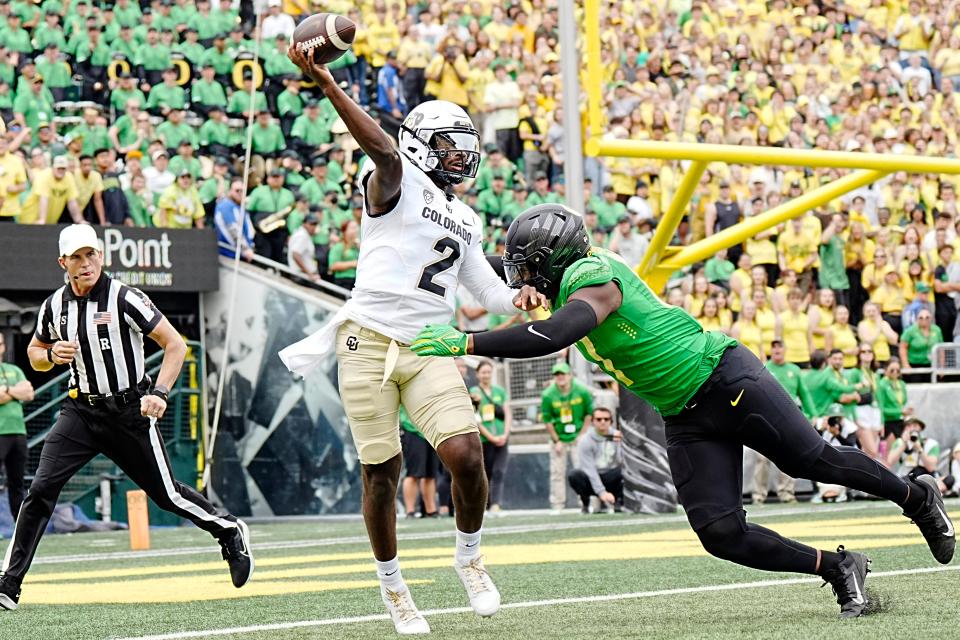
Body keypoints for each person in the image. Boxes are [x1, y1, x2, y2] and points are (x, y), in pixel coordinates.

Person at [411, 204, 955, 619]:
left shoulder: (592, 276)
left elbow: (555, 334)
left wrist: (465, 343)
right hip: (685, 412)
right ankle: (838, 567)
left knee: (813, 461)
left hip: (723, 378)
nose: (522, 275)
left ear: (555, 260)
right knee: (720, 532)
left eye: (529, 266)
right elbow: (541, 310)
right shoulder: (565, 285)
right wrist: (525, 298)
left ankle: (916, 495)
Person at [279, 48, 546, 635]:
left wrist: (517, 298)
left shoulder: (466, 216)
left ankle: (469, 557)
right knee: (383, 473)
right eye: (450, 143)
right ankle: (394, 588)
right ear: (422, 145)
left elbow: (483, 289)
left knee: (467, 456)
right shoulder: (393, 181)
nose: (462, 153)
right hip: (368, 339)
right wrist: (326, 82)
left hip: (428, 343)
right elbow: (381, 150)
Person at [0, 225, 253, 612]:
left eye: (91, 255)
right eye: (77, 258)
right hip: (81, 411)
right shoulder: (54, 306)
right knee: (40, 491)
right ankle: (9, 583)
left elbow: (175, 345)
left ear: (102, 256)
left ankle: (228, 529)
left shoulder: (125, 298)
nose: (86, 264)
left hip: (129, 411)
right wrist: (50, 356)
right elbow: (34, 350)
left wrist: (160, 393)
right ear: (62, 262)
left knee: (166, 496)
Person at [540, 362, 594, 513]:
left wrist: (582, 434)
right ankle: (557, 505)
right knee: (557, 472)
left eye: (563, 374)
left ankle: (586, 502)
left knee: (583, 470)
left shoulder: (582, 390)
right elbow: (547, 419)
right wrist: (557, 440)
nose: (560, 377)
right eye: (557, 375)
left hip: (578, 436)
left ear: (570, 375)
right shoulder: (548, 394)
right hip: (559, 437)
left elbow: (589, 413)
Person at [0, 334, 33, 522]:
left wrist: (5, 391)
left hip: (18, 432)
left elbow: (29, 392)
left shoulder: (14, 369)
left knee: (17, 483)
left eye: (1, 344)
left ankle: (20, 527)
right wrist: (15, 391)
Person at [469, 360, 509, 514]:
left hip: (501, 438)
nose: (486, 375)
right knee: (485, 471)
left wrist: (505, 433)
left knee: (499, 471)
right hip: (484, 440)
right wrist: (491, 437)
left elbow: (508, 413)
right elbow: (475, 417)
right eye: (483, 372)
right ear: (478, 374)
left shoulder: (499, 391)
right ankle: (485, 503)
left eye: (488, 372)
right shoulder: (474, 392)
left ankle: (496, 504)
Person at [567, 407, 623, 514]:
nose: (603, 422)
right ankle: (585, 501)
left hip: (610, 476)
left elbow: (623, 461)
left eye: (606, 419)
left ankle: (619, 502)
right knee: (574, 475)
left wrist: (621, 443)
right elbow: (589, 469)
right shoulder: (585, 440)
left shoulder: (617, 436)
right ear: (592, 421)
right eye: (599, 419)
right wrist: (602, 492)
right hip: (592, 477)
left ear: (611, 421)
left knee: (624, 471)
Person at [399, 407, 439, 519]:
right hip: (412, 431)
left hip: (431, 432)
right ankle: (410, 511)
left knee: (431, 474)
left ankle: (431, 510)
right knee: (413, 473)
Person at [213, 180, 255, 261]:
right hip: (228, 254)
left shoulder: (240, 207)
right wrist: (245, 249)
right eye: (237, 190)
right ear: (230, 191)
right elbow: (233, 228)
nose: (240, 193)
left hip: (238, 254)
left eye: (242, 191)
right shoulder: (226, 205)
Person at [288, 213, 321, 282]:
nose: (313, 227)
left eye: (315, 224)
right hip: (302, 276)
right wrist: (309, 274)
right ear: (304, 223)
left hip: (303, 275)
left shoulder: (303, 234)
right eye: (311, 224)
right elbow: (295, 254)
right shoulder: (303, 236)